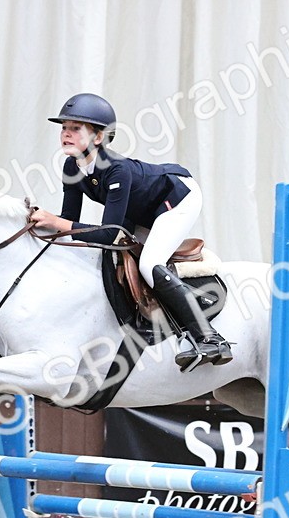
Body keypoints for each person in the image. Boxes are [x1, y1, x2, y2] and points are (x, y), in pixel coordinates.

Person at [30, 93, 232, 370]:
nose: (66, 133)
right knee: (115, 254)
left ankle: (209, 337)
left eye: (75, 128)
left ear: (98, 137)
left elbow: (107, 234)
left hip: (176, 197)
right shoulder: (71, 167)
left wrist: (56, 223)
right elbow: (69, 221)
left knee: (149, 263)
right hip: (140, 207)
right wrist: (40, 225)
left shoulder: (117, 169)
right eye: (64, 127)